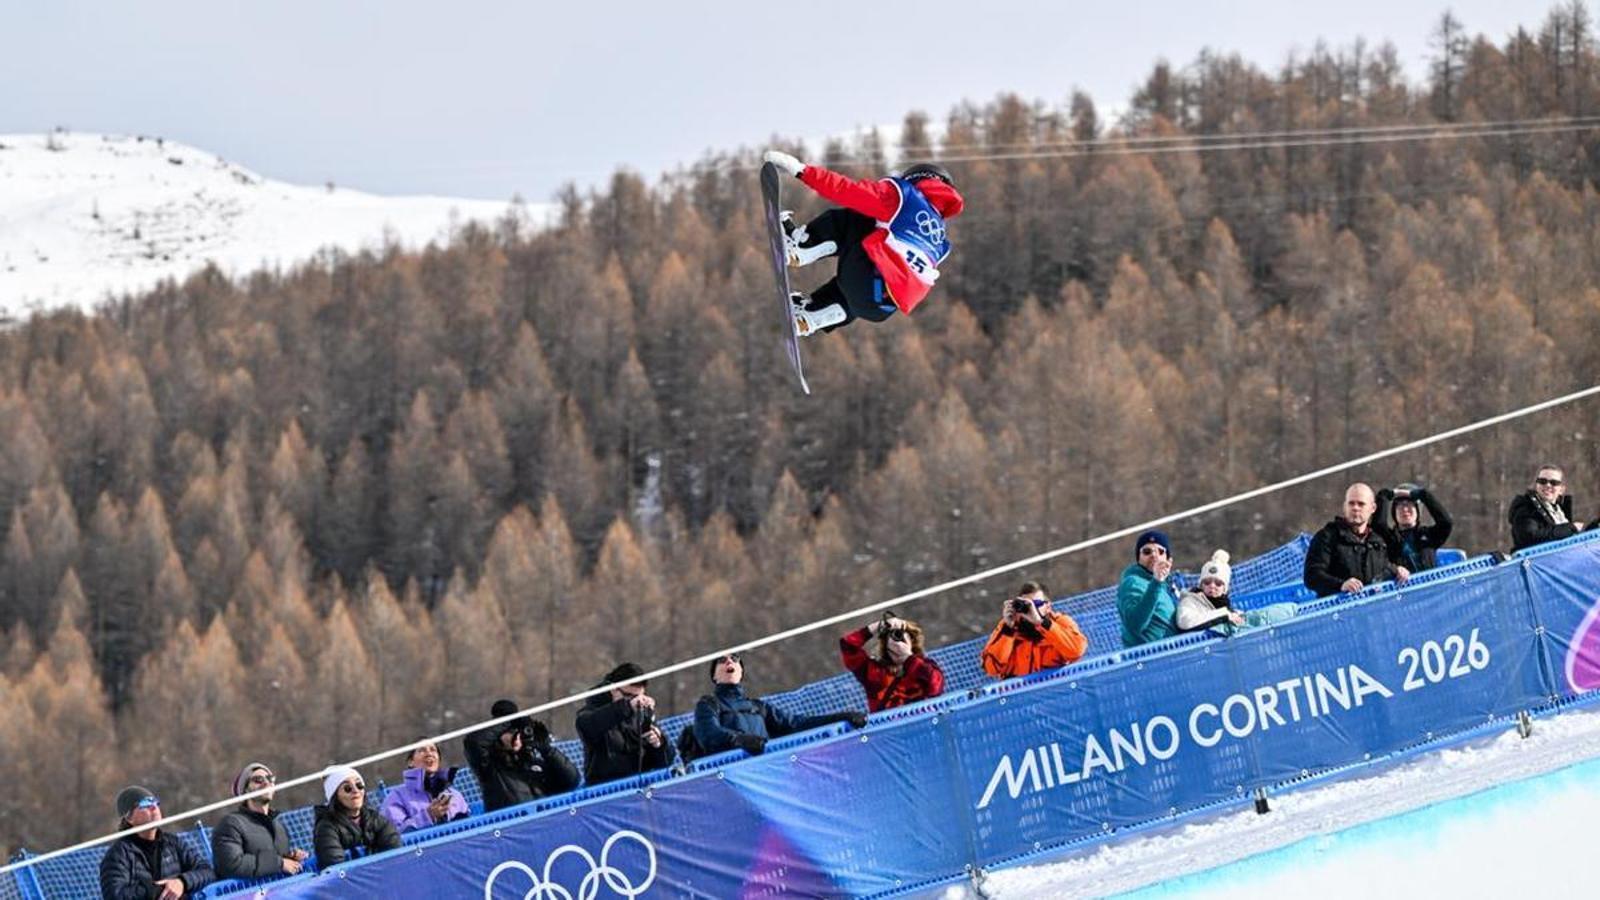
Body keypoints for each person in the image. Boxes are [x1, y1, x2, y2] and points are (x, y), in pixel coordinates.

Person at [760, 149, 965, 337]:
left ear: (913, 179)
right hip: (879, 307)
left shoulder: (904, 196)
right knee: (877, 266)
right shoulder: (940, 240)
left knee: (861, 217)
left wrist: (803, 171)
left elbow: (848, 191)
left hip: (864, 281)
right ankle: (814, 313)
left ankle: (802, 246)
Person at [690, 654, 868, 757]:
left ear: (741, 671)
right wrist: (738, 740)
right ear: (714, 676)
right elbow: (708, 734)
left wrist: (842, 717)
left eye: (735, 658)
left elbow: (797, 724)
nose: (729, 661)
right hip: (733, 776)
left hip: (766, 770)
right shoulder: (709, 704)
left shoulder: (758, 707)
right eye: (722, 660)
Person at [99, 786, 215, 900]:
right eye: (145, 804)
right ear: (129, 818)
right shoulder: (118, 855)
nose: (154, 808)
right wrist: (157, 890)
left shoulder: (173, 843)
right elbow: (115, 895)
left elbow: (207, 871)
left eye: (155, 802)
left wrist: (182, 882)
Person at [463, 701, 580, 813]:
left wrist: (547, 750)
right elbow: (473, 742)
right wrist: (510, 721)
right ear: (498, 736)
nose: (516, 737)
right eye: (510, 732)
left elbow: (571, 780)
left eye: (519, 732)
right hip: (513, 829)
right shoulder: (490, 768)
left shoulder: (534, 763)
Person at [575, 663, 673, 785]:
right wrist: (626, 707)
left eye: (639, 696)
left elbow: (666, 760)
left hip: (642, 788)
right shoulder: (591, 712)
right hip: (606, 791)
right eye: (628, 696)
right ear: (614, 689)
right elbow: (588, 726)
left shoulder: (643, 711)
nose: (636, 701)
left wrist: (659, 744)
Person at [1303, 483, 1409, 597]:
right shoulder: (1327, 537)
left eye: (1361, 504)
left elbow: (1382, 567)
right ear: (1345, 507)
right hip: (1337, 610)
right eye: (1351, 503)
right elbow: (1312, 576)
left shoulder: (1377, 541)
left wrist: (1397, 570)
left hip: (1371, 609)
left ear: (1372, 508)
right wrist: (1341, 585)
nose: (1355, 508)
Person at [211, 763, 309, 879]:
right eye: (258, 780)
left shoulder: (279, 826)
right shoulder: (231, 824)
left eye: (270, 779)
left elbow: (277, 864)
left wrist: (291, 859)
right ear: (245, 790)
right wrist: (279, 863)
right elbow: (232, 865)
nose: (266, 783)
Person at [840, 613, 946, 711]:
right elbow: (848, 645)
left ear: (911, 641)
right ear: (885, 644)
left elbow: (936, 686)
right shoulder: (876, 673)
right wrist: (878, 626)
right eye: (892, 636)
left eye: (901, 635)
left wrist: (908, 658)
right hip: (889, 729)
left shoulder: (925, 667)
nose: (897, 641)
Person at [1176, 550, 1297, 634]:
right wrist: (1223, 615)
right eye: (1207, 582)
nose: (1212, 586)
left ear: (1225, 589)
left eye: (1218, 583)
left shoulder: (1225, 606)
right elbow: (1184, 621)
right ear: (1201, 585)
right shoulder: (1190, 601)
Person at [983, 580, 1090, 674]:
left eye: (1037, 604)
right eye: (1027, 605)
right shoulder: (1008, 627)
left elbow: (1076, 651)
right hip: (1019, 694)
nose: (1032, 609)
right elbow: (991, 668)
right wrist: (1008, 630)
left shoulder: (1061, 622)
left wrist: (1042, 623)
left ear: (1048, 607)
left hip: (1055, 692)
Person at [312, 765, 401, 867]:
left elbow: (395, 850)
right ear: (335, 796)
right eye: (347, 788)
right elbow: (336, 868)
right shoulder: (326, 828)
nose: (356, 791)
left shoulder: (375, 819)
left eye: (359, 785)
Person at [381, 739, 473, 832]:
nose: (429, 753)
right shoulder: (396, 797)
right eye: (422, 750)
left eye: (433, 750)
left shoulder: (455, 795)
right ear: (410, 762)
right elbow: (395, 835)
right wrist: (428, 816)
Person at [1118, 531, 1184, 647]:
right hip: (1149, 659)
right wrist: (1156, 582)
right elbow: (1135, 624)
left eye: (1160, 551)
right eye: (1146, 552)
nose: (1154, 555)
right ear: (1138, 558)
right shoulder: (1133, 583)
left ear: (1169, 560)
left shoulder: (1170, 587)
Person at [1374, 483, 1454, 572]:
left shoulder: (1429, 536)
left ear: (1417, 511)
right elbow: (1378, 524)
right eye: (1400, 506)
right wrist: (1386, 495)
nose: (1405, 509)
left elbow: (1446, 523)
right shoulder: (1389, 538)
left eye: (1409, 504)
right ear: (1394, 513)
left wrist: (1423, 495)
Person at [1509, 465, 1586, 551]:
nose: (1548, 485)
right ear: (1536, 485)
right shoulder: (1526, 507)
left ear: (1561, 489)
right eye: (1542, 481)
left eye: (1554, 483)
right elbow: (1529, 536)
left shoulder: (1560, 511)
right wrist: (1569, 528)